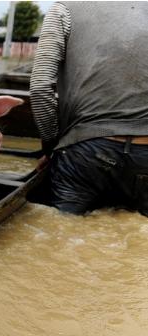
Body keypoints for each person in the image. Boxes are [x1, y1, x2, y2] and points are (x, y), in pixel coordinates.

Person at [30, 2, 148, 216]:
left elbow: (40, 87)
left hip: (85, 152)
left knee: (62, 235)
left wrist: (51, 148)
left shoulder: (64, 9)